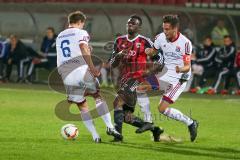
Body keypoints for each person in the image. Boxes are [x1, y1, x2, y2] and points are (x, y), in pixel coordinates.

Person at [56, 11, 121, 143]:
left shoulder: (60, 36)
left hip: (66, 75)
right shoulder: (81, 32)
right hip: (80, 70)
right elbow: (83, 48)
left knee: (82, 105)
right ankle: (110, 127)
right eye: (82, 24)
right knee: (97, 95)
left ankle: (95, 136)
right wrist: (92, 68)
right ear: (80, 22)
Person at [109, 15, 163, 142]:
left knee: (117, 103)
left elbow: (159, 59)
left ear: (139, 27)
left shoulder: (145, 41)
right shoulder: (119, 41)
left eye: (133, 24)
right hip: (124, 79)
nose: (130, 25)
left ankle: (118, 137)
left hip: (138, 78)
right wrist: (118, 55)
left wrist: (149, 71)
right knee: (125, 117)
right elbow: (112, 63)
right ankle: (155, 130)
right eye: (129, 23)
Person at [145, 15, 198, 142]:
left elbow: (187, 66)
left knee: (161, 108)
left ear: (175, 29)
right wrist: (149, 51)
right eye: (164, 28)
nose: (165, 32)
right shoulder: (160, 37)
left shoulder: (185, 43)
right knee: (140, 87)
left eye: (167, 29)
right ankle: (148, 123)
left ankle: (191, 123)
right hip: (166, 73)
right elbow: (154, 50)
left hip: (179, 78)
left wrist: (180, 69)